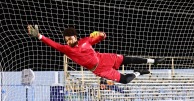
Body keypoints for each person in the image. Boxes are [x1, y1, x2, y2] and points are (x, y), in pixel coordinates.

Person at [27, 25, 164, 84]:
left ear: (75, 37)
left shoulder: (86, 40)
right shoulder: (67, 49)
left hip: (103, 58)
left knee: (128, 59)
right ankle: (138, 73)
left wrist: (101, 34)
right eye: (66, 40)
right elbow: (52, 44)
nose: (68, 41)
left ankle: (153, 61)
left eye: (70, 38)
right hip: (99, 69)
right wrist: (39, 36)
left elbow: (101, 37)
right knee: (125, 80)